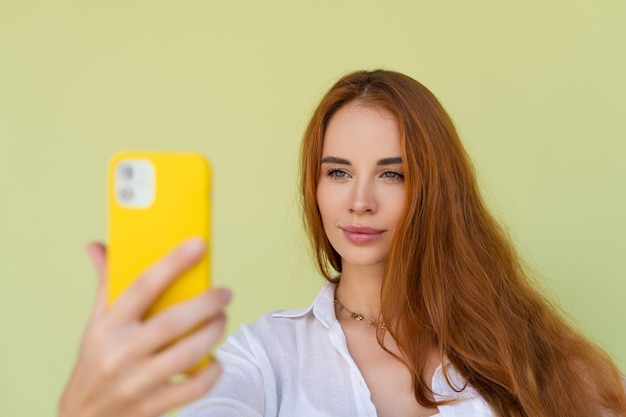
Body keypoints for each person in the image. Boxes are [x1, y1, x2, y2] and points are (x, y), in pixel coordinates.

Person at [59, 70, 626, 417]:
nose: (359, 201)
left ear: (436, 190)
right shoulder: (264, 356)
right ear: (315, 186)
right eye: (337, 172)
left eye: (392, 174)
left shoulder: (535, 354)